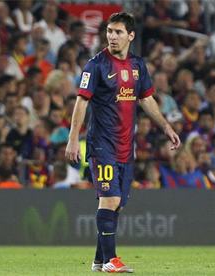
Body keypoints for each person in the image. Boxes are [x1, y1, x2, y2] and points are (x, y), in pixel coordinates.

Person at [65, 12, 181, 273]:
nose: (112, 36)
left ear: (131, 35)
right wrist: (74, 139)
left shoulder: (138, 66)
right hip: (102, 144)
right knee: (109, 199)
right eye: (109, 31)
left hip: (126, 148)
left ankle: (98, 260)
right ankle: (110, 260)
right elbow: (81, 101)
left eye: (118, 32)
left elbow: (147, 100)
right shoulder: (95, 65)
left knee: (116, 203)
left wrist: (166, 127)